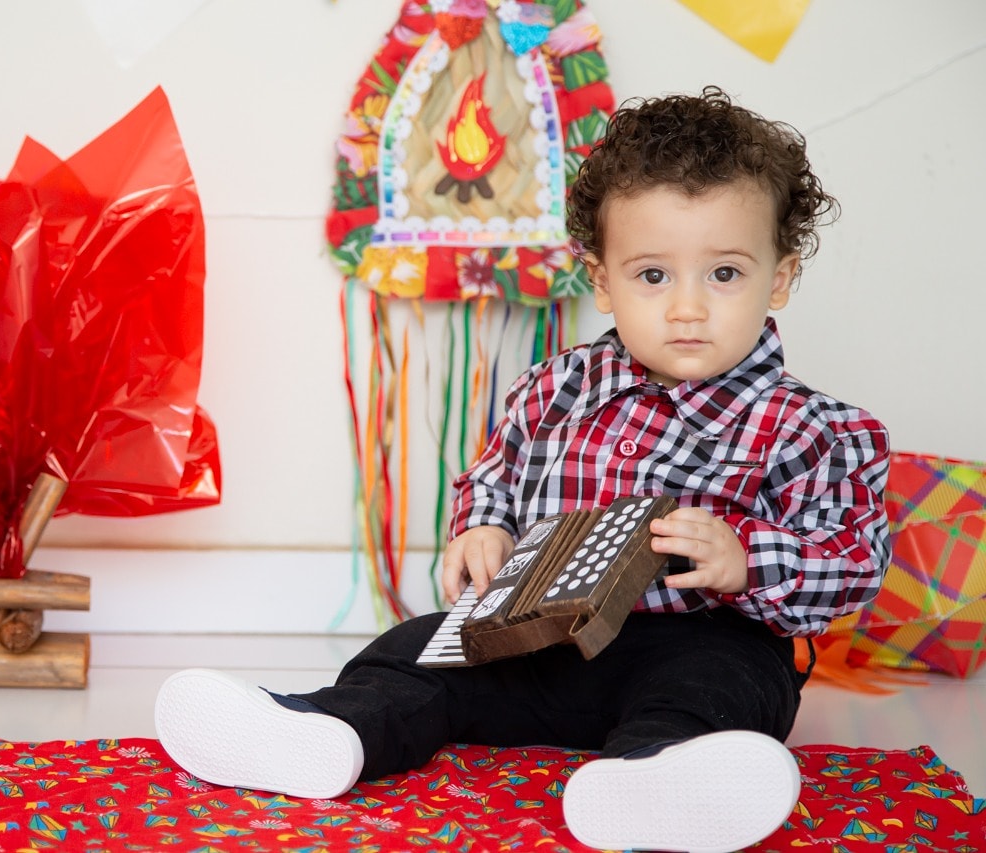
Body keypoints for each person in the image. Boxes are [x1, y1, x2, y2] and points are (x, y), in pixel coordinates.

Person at [154, 87, 891, 853]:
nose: (687, 309)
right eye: (652, 276)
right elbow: (493, 478)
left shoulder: (816, 428)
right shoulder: (554, 388)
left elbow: (855, 560)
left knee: (720, 688)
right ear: (603, 281)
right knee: (416, 647)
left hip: (697, 643)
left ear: (778, 277)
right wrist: (481, 526)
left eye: (725, 274)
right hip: (538, 641)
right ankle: (328, 732)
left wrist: (745, 559)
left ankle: (657, 776)